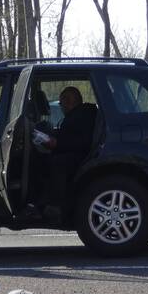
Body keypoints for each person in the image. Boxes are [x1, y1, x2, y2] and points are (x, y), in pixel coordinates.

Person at [35, 86, 99, 215]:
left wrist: (55, 144)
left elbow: (81, 142)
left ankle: (55, 206)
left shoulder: (80, 117)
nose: (61, 107)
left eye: (61, 103)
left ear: (69, 101)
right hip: (76, 153)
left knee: (52, 163)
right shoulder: (81, 114)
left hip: (80, 158)